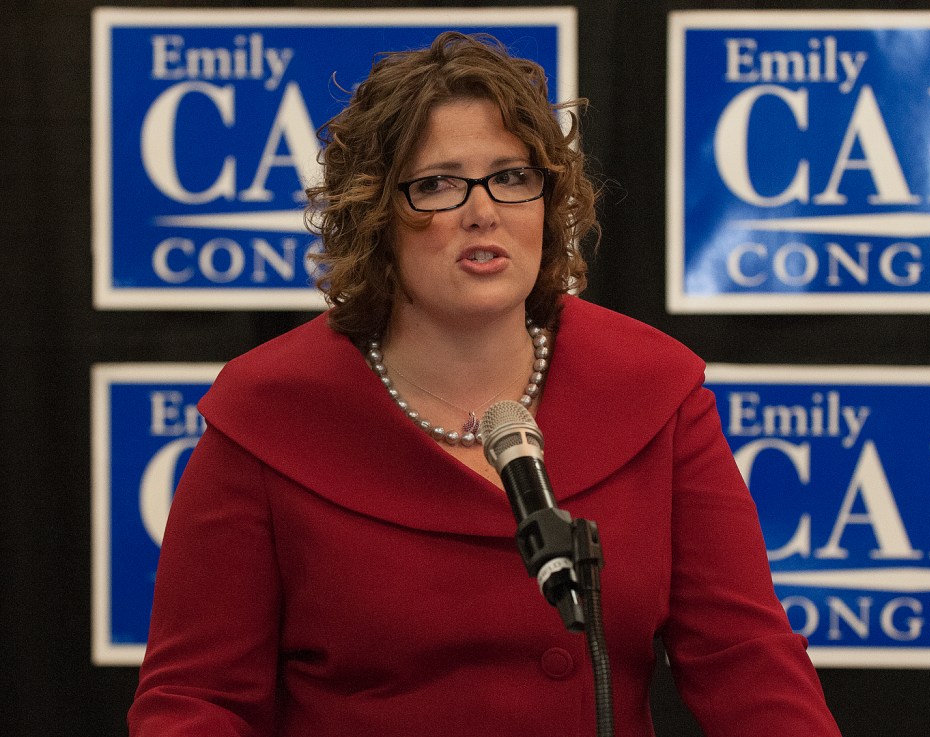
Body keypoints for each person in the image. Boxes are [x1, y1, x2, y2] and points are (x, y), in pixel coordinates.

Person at [128, 32, 842, 737]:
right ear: (376, 216)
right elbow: (196, 701)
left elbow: (746, 661)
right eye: (438, 183)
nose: (483, 209)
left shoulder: (654, 390)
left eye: (512, 176)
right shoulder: (271, 415)